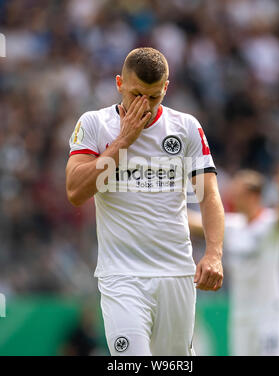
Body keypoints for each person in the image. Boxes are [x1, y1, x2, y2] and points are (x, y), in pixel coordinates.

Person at [65, 47, 224, 356]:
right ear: (119, 84)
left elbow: (209, 196)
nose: (145, 106)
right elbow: (75, 191)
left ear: (166, 88)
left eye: (154, 97)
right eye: (136, 94)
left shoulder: (186, 127)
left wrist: (214, 254)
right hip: (121, 275)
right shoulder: (95, 124)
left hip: (176, 273)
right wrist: (122, 142)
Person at [188, 166, 279, 356]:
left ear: (253, 195)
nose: (234, 198)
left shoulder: (271, 223)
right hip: (241, 317)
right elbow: (196, 222)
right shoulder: (232, 225)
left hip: (270, 316)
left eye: (238, 193)